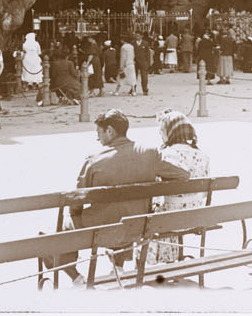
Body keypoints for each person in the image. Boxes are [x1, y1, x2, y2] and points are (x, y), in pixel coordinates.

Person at [69, 109, 191, 271]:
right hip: (137, 228)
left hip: (101, 230)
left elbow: (77, 200)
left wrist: (74, 217)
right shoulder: (148, 153)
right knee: (124, 212)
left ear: (110, 131)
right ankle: (117, 268)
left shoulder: (94, 160)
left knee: (48, 234)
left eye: (99, 132)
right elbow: (183, 174)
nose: (97, 138)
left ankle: (76, 279)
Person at [152, 111, 211, 264]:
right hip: (195, 213)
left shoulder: (166, 154)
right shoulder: (202, 155)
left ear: (171, 132)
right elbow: (204, 193)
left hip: (170, 215)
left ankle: (159, 259)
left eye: (162, 130)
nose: (160, 133)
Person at [21, 32, 46, 106]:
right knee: (36, 70)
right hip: (35, 58)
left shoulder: (24, 44)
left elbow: (24, 52)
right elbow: (39, 52)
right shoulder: (36, 44)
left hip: (27, 59)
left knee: (27, 71)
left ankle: (28, 83)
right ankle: (35, 83)